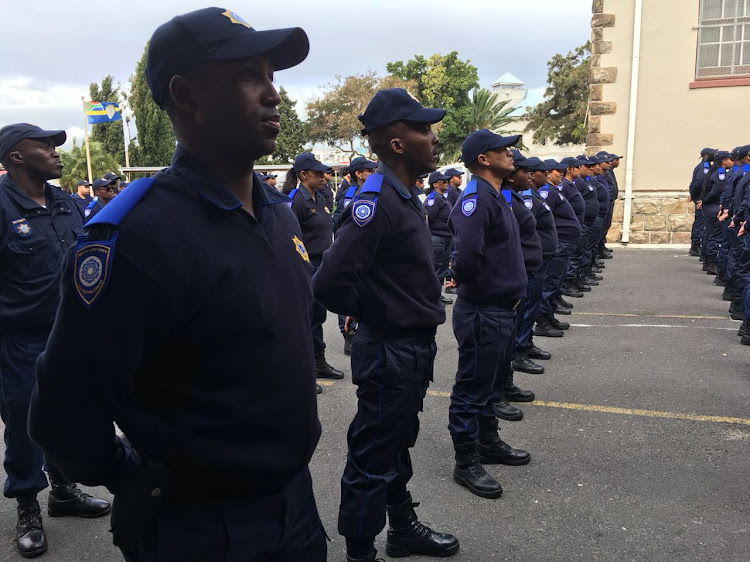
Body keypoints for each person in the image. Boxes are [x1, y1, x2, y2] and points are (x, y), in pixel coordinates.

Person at [28, 8, 327, 561]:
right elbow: (63, 410)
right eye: (248, 75)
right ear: (185, 95)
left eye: (272, 75)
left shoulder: (278, 214)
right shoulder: (140, 235)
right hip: (202, 528)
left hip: (295, 508)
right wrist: (134, 474)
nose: (273, 94)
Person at [313, 88, 459, 561]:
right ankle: (360, 552)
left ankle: (401, 526)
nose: (433, 139)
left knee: (396, 443)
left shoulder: (404, 195)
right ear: (396, 144)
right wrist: (374, 307)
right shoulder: (375, 200)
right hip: (390, 348)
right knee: (373, 455)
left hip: (409, 347)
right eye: (423, 129)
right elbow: (330, 282)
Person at [0, 123, 112, 558]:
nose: (55, 151)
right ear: (16, 157)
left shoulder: (65, 202)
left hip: (71, 330)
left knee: (67, 414)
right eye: (43, 145)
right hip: (20, 338)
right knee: (26, 424)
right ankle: (27, 504)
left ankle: (63, 491)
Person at [447, 129, 531, 501]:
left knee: (490, 385)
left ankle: (488, 441)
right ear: (484, 158)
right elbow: (466, 256)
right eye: (504, 149)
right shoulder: (475, 199)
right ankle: (466, 461)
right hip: (483, 310)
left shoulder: (495, 195)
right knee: (471, 389)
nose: (511, 154)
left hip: (501, 309)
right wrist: (464, 281)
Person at [286, 152, 344, 382]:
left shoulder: (320, 197)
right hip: (305, 266)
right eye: (318, 173)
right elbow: (288, 238)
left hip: (322, 264)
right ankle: (303, 369)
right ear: (303, 174)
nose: (324, 176)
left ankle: (317, 361)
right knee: (305, 319)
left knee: (317, 317)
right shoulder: (295, 200)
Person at [506, 153, 557, 380]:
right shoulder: (517, 198)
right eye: (525, 171)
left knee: (530, 307)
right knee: (524, 312)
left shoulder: (517, 197)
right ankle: (519, 349)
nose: (529, 175)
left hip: (534, 264)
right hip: (523, 269)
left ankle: (524, 343)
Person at [331, 155, 378, 355]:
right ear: (359, 174)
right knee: (349, 293)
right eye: (370, 170)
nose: (374, 173)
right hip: (353, 254)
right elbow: (341, 223)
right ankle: (348, 335)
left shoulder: (372, 192)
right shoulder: (351, 194)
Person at [701, 150, 734, 275]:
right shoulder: (720, 173)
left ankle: (707, 262)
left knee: (710, 234)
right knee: (715, 236)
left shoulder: (714, 171)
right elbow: (716, 191)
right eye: (729, 159)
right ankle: (712, 264)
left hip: (709, 206)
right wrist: (705, 201)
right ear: (724, 161)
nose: (731, 161)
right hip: (713, 206)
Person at [425, 171, 454, 306]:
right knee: (436, 269)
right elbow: (427, 218)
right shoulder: (433, 198)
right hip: (437, 238)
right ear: (435, 184)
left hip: (445, 238)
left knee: (442, 269)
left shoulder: (442, 197)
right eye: (444, 182)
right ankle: (432, 298)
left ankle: (437, 295)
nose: (446, 184)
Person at [688, 148, 715, 257]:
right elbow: (699, 183)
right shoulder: (704, 167)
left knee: (700, 221)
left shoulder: (705, 166)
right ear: (706, 155)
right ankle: (695, 246)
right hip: (701, 197)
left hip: (700, 196)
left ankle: (696, 245)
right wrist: (696, 196)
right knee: (700, 222)